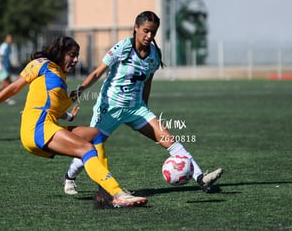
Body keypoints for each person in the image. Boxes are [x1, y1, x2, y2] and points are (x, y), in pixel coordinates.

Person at [0, 36, 148, 208]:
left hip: (47, 126)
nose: (76, 59)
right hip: (37, 128)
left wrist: (69, 116)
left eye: (77, 55)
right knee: (86, 149)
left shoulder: (60, 79)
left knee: (95, 135)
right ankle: (117, 193)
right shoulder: (42, 64)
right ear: (60, 52)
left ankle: (104, 190)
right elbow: (14, 87)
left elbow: (53, 106)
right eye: (72, 54)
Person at [63, 11, 223, 197]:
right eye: (146, 31)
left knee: (168, 139)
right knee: (91, 145)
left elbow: (147, 82)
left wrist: (145, 109)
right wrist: (79, 91)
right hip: (110, 108)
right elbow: (98, 73)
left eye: (153, 32)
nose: (149, 36)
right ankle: (70, 177)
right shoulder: (122, 47)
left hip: (136, 109)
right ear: (136, 28)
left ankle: (200, 178)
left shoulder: (155, 55)